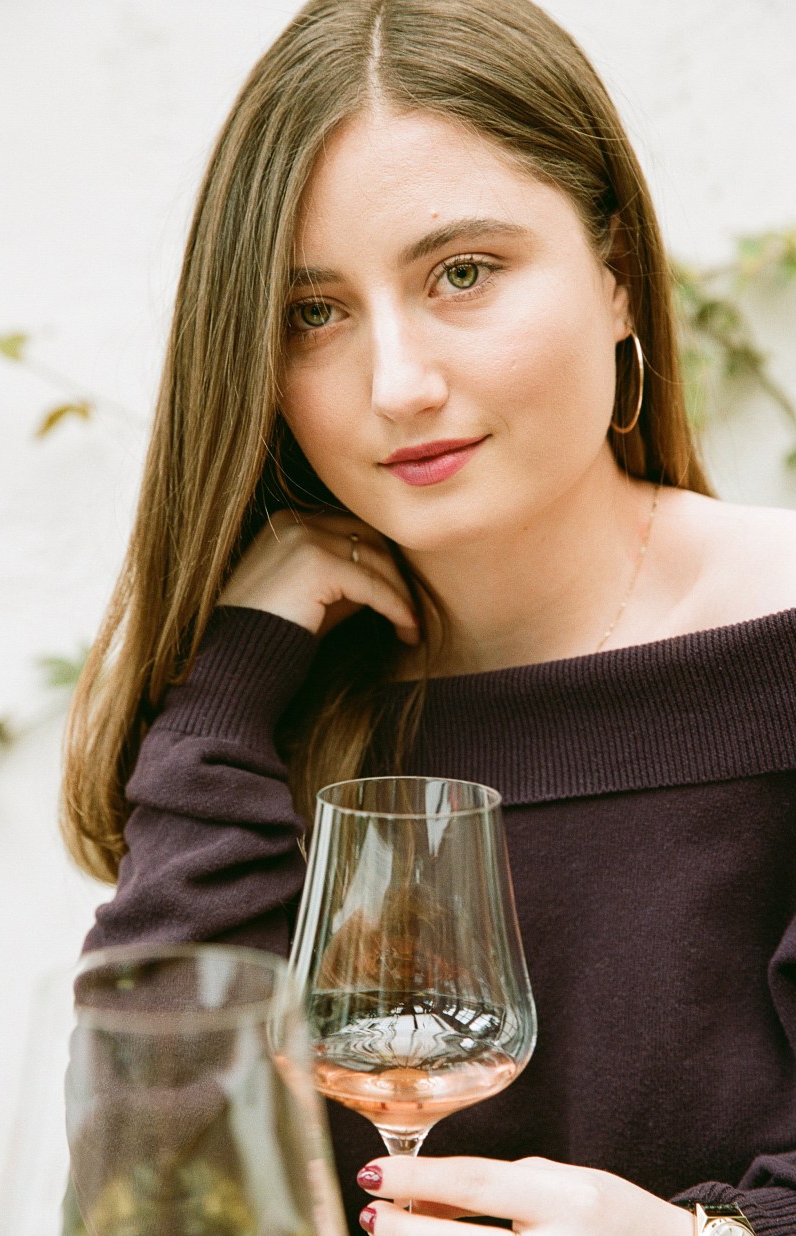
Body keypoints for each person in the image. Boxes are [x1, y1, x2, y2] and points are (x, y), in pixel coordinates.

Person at [61, 0, 796, 1232]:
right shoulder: (281, 696)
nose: (398, 384)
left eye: (463, 273)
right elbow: (162, 1167)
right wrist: (235, 674)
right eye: (316, 312)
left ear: (617, 275)